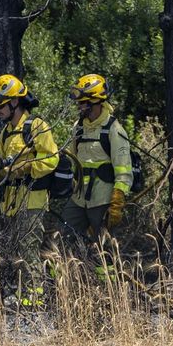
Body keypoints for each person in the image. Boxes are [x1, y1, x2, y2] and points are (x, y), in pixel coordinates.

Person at [0, 73, 58, 304]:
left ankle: (36, 296)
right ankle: (23, 292)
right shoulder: (6, 132)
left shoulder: (36, 126)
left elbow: (51, 160)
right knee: (14, 249)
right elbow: (1, 158)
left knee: (29, 247)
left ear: (14, 102)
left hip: (32, 198)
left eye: (0, 105)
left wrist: (26, 166)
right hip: (11, 201)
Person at [59, 72, 134, 259]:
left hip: (103, 200)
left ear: (95, 102)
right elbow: (73, 160)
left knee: (105, 250)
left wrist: (117, 200)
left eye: (82, 102)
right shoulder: (78, 128)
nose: (79, 106)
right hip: (79, 198)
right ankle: (63, 284)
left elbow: (124, 170)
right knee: (63, 239)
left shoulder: (114, 129)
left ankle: (108, 285)